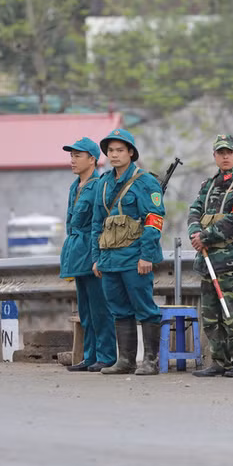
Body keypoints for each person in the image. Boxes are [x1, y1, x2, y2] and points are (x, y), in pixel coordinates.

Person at [90, 129, 166, 376]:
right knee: (118, 309)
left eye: (120, 150)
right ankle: (125, 361)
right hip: (110, 258)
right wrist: (96, 258)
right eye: (110, 150)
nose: (114, 155)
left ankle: (151, 362)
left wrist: (147, 255)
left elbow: (154, 220)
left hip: (135, 258)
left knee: (144, 307)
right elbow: (96, 224)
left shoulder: (146, 182)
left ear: (131, 153)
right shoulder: (102, 183)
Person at [188, 134, 233, 378]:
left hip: (231, 259)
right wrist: (195, 233)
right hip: (207, 260)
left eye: (229, 152)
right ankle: (219, 361)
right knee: (211, 316)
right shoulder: (207, 186)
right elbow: (194, 212)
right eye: (220, 152)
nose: (225, 156)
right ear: (215, 156)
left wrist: (205, 237)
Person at [60, 137, 116, 372]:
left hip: (92, 251)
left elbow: (99, 223)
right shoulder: (76, 186)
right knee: (85, 309)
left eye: (78, 155)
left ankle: (106, 356)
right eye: (71, 155)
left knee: (100, 308)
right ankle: (90, 355)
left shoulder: (99, 185)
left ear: (92, 159)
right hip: (76, 252)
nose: (72, 160)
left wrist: (98, 256)